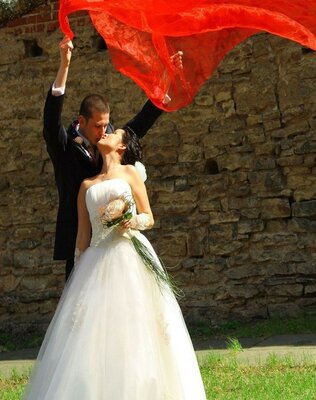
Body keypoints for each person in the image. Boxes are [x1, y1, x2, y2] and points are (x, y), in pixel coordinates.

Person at [24, 128, 206, 399]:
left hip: (129, 253)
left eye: (113, 132)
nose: (106, 133)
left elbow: (148, 217)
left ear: (122, 147)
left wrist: (128, 222)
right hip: (96, 261)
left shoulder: (130, 174)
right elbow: (82, 237)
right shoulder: (86, 186)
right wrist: (77, 278)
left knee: (137, 322)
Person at [44, 36, 182, 280]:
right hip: (79, 235)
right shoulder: (64, 146)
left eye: (107, 125)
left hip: (115, 240)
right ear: (82, 121)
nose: (104, 132)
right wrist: (64, 66)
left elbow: (142, 122)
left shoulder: (110, 138)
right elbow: (50, 120)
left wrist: (167, 79)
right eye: (98, 126)